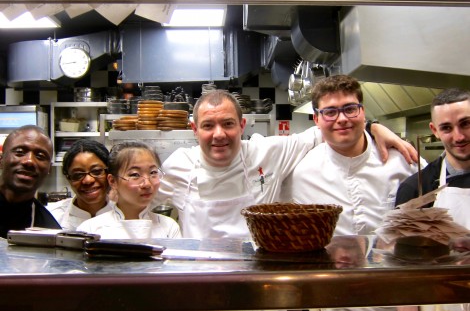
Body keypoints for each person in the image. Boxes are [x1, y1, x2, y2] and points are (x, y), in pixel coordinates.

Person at [155, 89, 418, 239]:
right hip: (203, 287)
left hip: (256, 279)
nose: (219, 134)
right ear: (194, 130)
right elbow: (136, 200)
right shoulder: (178, 166)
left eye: (228, 124)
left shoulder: (268, 151)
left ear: (242, 125)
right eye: (208, 126)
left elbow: (326, 129)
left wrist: (373, 127)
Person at [282, 75, 422, 235]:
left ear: (362, 112)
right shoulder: (302, 173)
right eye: (330, 112)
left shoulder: (403, 160)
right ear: (316, 119)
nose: (342, 119)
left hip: (395, 259)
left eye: (349, 109)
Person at [396, 88, 470, 229]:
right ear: (435, 130)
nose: (459, 137)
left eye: (465, 124)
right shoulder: (416, 189)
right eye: (446, 128)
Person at [77, 141, 181, 239]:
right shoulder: (91, 230)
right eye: (135, 174)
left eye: (153, 172)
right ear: (113, 181)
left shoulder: (169, 227)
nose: (147, 184)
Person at [0, 125, 61, 238]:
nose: (29, 161)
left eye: (40, 156)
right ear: (1, 159)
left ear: (49, 169)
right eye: (20, 152)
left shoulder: (48, 232)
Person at [47, 139, 113, 230]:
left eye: (96, 171)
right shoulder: (51, 217)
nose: (88, 180)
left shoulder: (126, 215)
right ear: (68, 178)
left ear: (109, 173)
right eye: (78, 175)